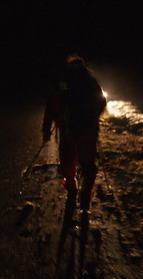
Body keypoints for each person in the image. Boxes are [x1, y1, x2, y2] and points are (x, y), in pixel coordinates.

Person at [42, 54, 106, 212]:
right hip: (88, 131)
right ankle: (85, 194)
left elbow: (51, 105)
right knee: (88, 165)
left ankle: (72, 189)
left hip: (67, 130)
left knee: (68, 162)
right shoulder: (91, 82)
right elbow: (101, 102)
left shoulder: (63, 82)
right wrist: (93, 118)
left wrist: (47, 129)